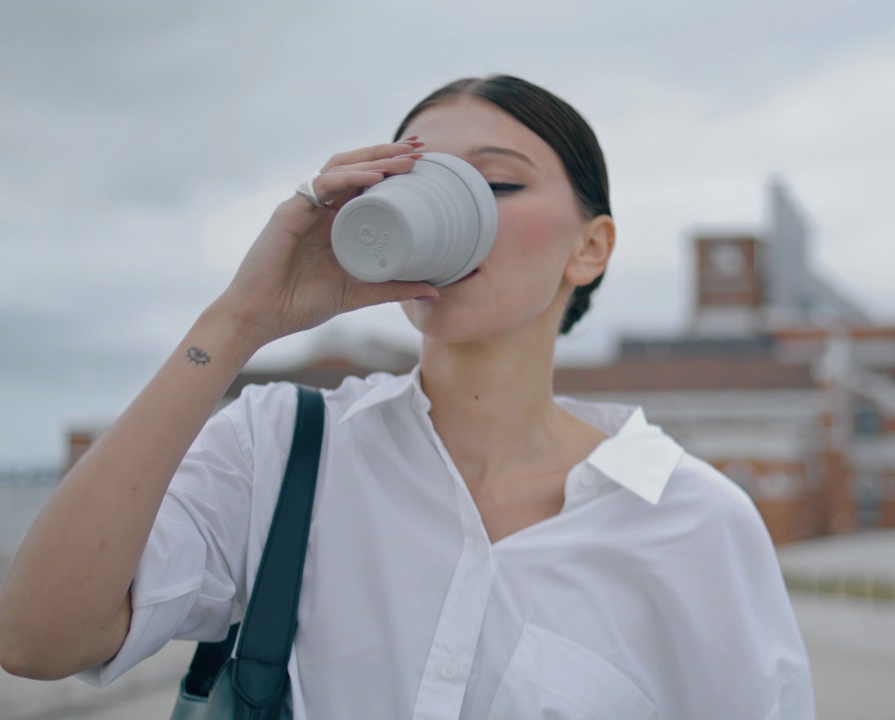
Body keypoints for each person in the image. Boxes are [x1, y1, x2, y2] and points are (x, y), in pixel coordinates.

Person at [0, 75, 815, 719]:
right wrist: (241, 318)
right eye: (419, 181)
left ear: (589, 248)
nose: (453, 207)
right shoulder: (283, 449)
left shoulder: (693, 520)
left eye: (494, 184)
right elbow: (37, 639)